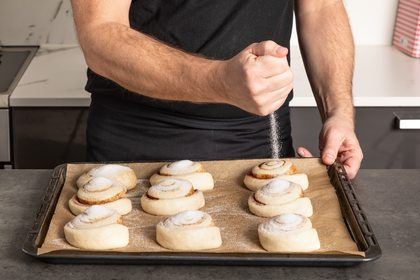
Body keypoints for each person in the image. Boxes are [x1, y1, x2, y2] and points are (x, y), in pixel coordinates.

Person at [71, 0, 363, 179]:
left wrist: (339, 113)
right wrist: (220, 81)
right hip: (135, 137)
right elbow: (100, 33)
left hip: (257, 138)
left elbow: (321, 6)